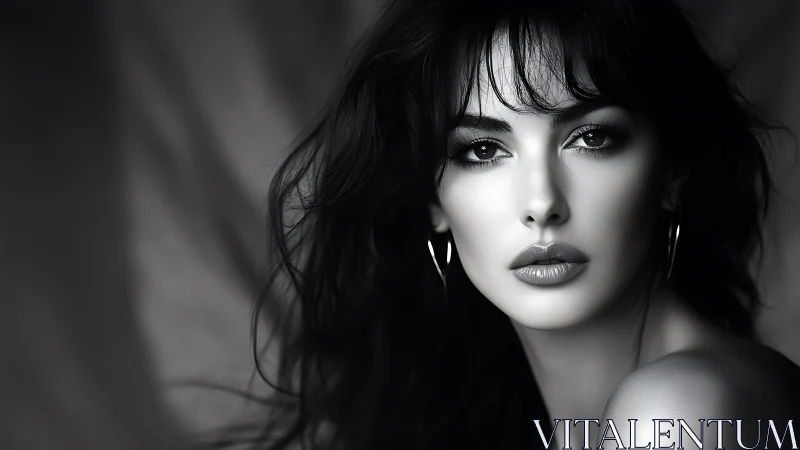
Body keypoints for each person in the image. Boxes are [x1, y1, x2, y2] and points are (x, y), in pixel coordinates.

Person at [218, 0, 800, 448]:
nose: (541, 203)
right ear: (434, 202)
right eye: (483, 151)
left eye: (591, 138)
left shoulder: (674, 415)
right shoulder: (504, 411)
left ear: (671, 172)